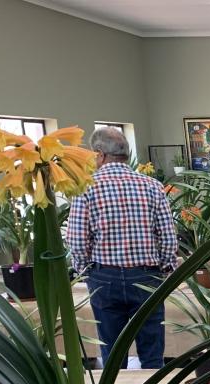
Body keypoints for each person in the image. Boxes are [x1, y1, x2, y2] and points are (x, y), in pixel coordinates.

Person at [66, 126, 177, 368]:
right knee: (152, 351)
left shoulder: (85, 188)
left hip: (104, 277)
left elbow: (77, 240)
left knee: (112, 352)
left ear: (99, 154)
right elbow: (168, 237)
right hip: (147, 276)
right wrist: (164, 268)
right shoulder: (152, 186)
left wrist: (86, 271)